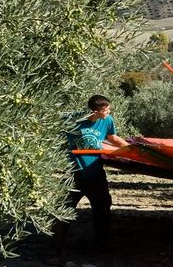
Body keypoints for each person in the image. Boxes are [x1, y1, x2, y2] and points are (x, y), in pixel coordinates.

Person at [53, 95, 129, 255]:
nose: (109, 112)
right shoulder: (73, 118)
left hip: (95, 172)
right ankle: (56, 248)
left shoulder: (107, 121)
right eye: (106, 110)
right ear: (95, 111)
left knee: (103, 208)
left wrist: (131, 148)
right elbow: (49, 121)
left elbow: (113, 137)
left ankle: (102, 247)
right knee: (63, 210)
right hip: (73, 173)